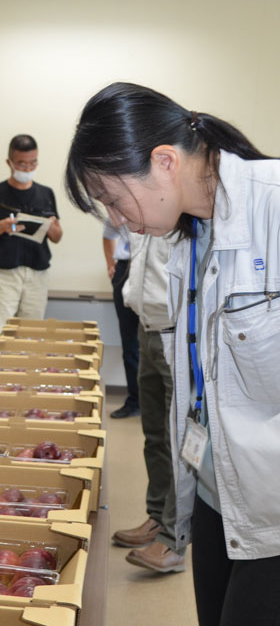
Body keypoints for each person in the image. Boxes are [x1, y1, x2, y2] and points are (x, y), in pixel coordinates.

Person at [65, 80, 280, 626]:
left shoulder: (270, 206)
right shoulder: (185, 229)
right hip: (226, 486)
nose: (117, 218)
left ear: (163, 161)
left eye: (116, 197)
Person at [113, 233, 187, 574]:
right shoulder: (138, 218)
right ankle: (157, 518)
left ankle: (174, 540)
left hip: (176, 331)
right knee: (154, 434)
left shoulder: (172, 209)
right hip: (148, 327)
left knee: (178, 442)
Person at [0, 134, 62, 349]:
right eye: (22, 163)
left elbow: (57, 237)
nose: (27, 168)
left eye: (33, 163)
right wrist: (3, 226)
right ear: (10, 163)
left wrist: (50, 226)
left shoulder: (46, 193)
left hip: (37, 273)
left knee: (32, 334)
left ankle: (25, 381)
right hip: (5, 273)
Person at [102, 220, 140, 418]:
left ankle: (160, 404)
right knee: (129, 341)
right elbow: (108, 235)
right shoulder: (117, 201)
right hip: (125, 268)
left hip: (154, 269)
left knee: (158, 343)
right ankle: (134, 400)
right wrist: (110, 264)